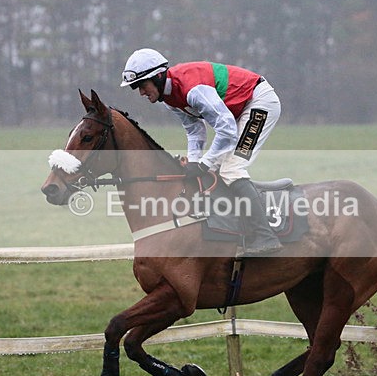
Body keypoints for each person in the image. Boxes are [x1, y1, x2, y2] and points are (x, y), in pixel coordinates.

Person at [120, 48, 283, 255]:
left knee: (231, 169)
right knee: (213, 169)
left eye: (142, 85)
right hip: (238, 112)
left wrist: (204, 163)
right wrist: (195, 162)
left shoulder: (193, 89)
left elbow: (226, 129)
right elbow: (195, 131)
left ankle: (265, 236)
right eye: (136, 88)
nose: (141, 92)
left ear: (158, 76)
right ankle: (236, 229)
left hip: (260, 103)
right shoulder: (170, 99)